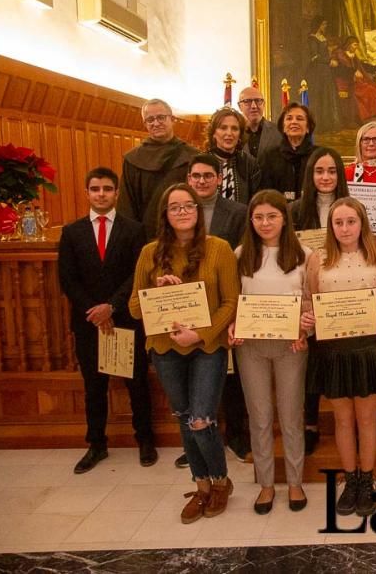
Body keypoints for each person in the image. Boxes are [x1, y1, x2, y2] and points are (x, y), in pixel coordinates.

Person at [128, 184, 240, 524]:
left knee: (201, 419)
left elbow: (231, 303)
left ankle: (221, 481)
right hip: (165, 349)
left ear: (198, 209)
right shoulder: (149, 253)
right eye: (174, 207)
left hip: (207, 346)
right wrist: (155, 294)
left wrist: (201, 333)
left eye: (188, 205)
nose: (182, 212)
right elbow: (134, 308)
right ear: (165, 214)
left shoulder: (218, 248)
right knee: (183, 416)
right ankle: (201, 484)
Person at [301, 197, 376, 517]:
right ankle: (351, 479)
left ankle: (367, 479)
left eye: (351, 222)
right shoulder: (318, 259)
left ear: (362, 224)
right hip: (333, 350)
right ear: (331, 226)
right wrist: (308, 318)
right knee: (342, 419)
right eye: (338, 222)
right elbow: (307, 302)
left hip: (367, 348)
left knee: (367, 417)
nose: (345, 228)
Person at [57, 167, 156, 473]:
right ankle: (97, 444)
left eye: (107, 189)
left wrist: (111, 307)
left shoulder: (133, 229)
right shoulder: (72, 232)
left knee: (136, 383)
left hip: (124, 317)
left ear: (116, 193)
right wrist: (94, 311)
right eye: (96, 189)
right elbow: (67, 279)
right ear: (87, 193)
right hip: (88, 322)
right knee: (94, 387)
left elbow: (137, 276)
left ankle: (145, 440)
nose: (101, 194)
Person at [229, 190, 309, 514]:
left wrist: (306, 329)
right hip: (251, 347)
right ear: (251, 220)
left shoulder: (303, 254)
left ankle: (294, 481)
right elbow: (233, 300)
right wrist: (232, 325)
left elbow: (309, 301)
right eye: (258, 217)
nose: (265, 223)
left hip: (291, 345)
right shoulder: (240, 254)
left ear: (284, 218)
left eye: (272, 216)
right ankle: (265, 484)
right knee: (260, 416)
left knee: (291, 416)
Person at [186, 154, 251, 467]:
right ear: (189, 179)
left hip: (226, 305)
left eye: (208, 175)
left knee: (232, 378)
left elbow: (243, 260)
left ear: (219, 177)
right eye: (196, 176)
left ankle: (237, 438)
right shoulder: (180, 211)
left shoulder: (238, 213)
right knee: (196, 377)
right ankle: (199, 442)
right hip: (189, 309)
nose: (201, 181)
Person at [291, 147, 350, 453]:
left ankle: (349, 421)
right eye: (319, 171)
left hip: (344, 293)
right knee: (312, 362)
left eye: (331, 171)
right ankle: (310, 424)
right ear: (310, 174)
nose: (326, 177)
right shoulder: (296, 211)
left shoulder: (352, 207)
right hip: (308, 293)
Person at [119, 98, 198, 239]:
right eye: (150, 120)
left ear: (172, 119)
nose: (156, 123)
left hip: (185, 235)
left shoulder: (192, 156)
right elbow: (126, 206)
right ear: (145, 124)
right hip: (144, 236)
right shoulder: (132, 159)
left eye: (161, 117)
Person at [334, 36, 376, 125]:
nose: (356, 47)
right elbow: (342, 69)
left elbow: (362, 66)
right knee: (369, 89)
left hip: (358, 80)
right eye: (355, 45)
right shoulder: (340, 54)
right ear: (348, 45)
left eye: (357, 45)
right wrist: (353, 73)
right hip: (347, 82)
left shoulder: (353, 55)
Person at [257, 102, 316, 201]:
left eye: (299, 118)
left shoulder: (318, 156)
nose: (294, 122)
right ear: (283, 127)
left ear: (308, 128)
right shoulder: (269, 156)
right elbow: (264, 193)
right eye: (289, 118)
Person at [205, 106, 261, 204]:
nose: (229, 133)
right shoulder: (201, 162)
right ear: (214, 133)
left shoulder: (250, 163)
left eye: (234, 128)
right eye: (223, 128)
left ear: (240, 134)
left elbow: (256, 201)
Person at [304, 16, 339, 134]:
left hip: (325, 71)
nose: (325, 26)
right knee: (318, 95)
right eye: (323, 24)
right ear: (318, 25)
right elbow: (315, 57)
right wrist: (329, 61)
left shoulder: (322, 37)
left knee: (327, 94)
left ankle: (327, 124)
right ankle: (318, 125)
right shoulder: (312, 39)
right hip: (317, 71)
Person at [237, 87, 283, 160]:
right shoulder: (235, 133)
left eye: (258, 101)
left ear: (264, 104)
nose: (254, 106)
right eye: (247, 101)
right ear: (240, 106)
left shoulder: (279, 131)